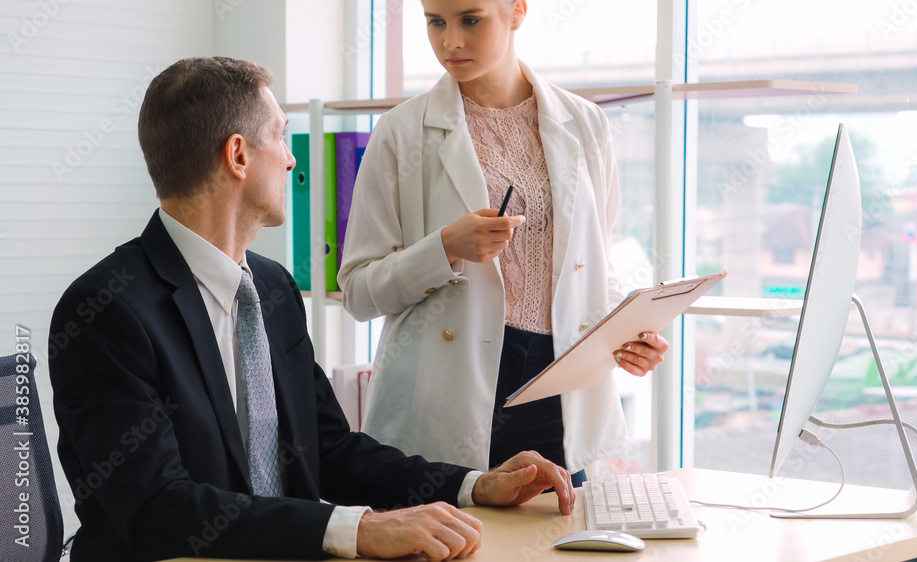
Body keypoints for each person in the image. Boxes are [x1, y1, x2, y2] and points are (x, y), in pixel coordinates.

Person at [48, 56, 574, 562]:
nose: (292, 157)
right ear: (238, 155)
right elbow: (157, 509)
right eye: (280, 135)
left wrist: (473, 485)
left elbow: (327, 449)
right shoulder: (105, 310)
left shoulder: (272, 288)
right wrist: (360, 528)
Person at [338, 0, 670, 485]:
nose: (450, 41)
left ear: (517, 10)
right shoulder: (400, 133)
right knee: (457, 546)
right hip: (451, 387)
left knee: (556, 544)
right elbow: (358, 293)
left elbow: (596, 266)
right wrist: (445, 247)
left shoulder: (585, 123)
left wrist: (627, 337)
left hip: (560, 382)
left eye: (470, 20)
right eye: (435, 22)